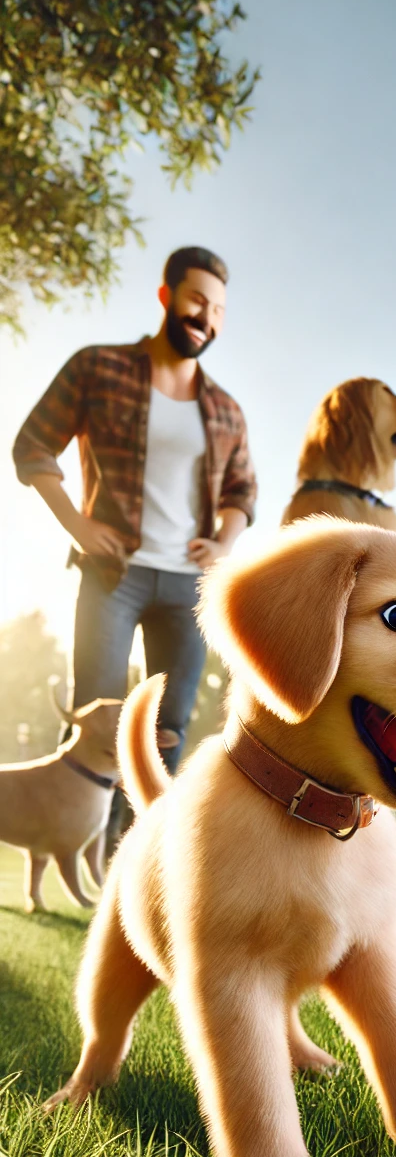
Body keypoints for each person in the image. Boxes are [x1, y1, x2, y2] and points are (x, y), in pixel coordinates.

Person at [13, 246, 256, 795]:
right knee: (93, 723)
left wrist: (224, 542)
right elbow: (32, 446)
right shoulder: (97, 366)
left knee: (166, 733)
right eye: (197, 300)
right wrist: (76, 524)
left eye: (218, 309)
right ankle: (86, 857)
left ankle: (145, 864)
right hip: (110, 577)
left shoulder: (224, 408)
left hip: (187, 588)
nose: (206, 318)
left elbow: (243, 489)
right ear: (166, 296)